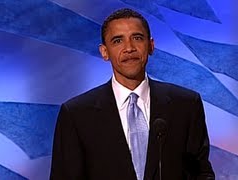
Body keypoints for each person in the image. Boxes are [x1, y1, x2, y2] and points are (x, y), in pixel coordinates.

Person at [50, 8, 215, 180]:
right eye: (117, 41)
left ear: (151, 46)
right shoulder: (76, 114)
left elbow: (201, 174)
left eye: (137, 38)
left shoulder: (186, 105)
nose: (129, 48)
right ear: (104, 52)